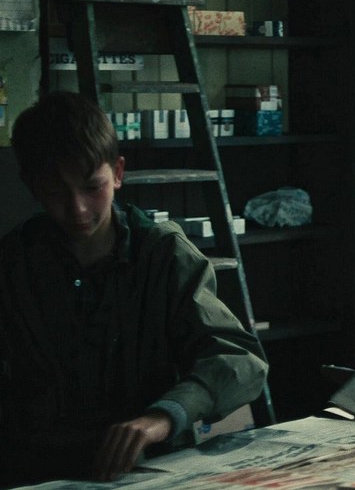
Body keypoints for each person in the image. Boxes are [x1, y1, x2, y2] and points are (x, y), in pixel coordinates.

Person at [0, 91, 269, 486]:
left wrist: (163, 417)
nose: (78, 209)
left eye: (92, 187)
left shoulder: (164, 254)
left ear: (118, 173)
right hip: (37, 469)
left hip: (149, 467)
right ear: (32, 186)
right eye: (56, 193)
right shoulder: (13, 263)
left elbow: (240, 361)